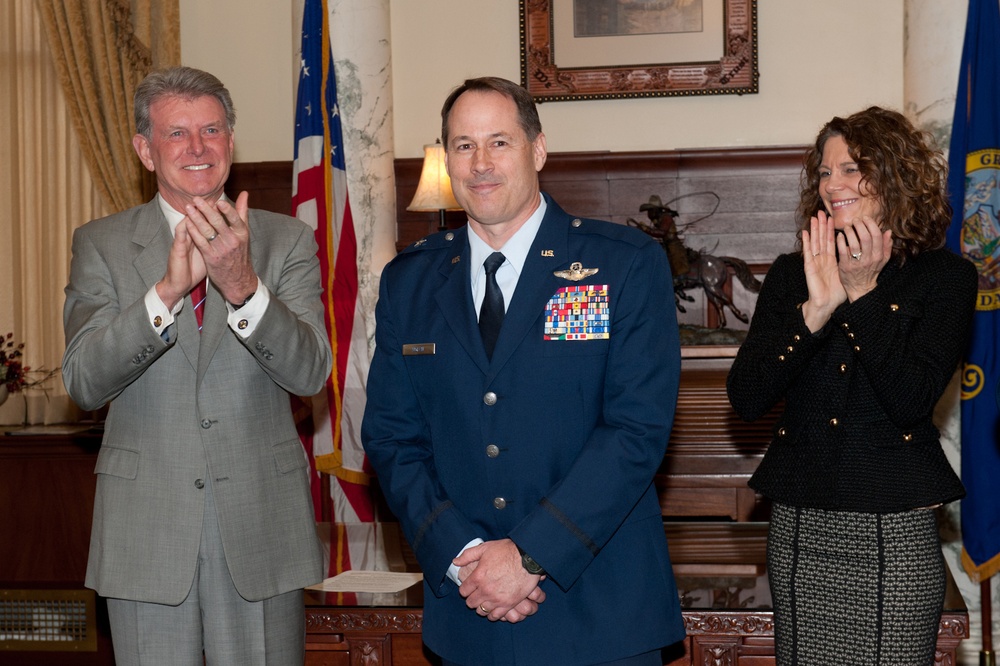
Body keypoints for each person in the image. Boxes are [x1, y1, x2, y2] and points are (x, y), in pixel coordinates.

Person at [361, 76, 685, 665]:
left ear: (538, 150)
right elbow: (391, 436)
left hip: (598, 613)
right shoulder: (410, 281)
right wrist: (463, 555)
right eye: (463, 145)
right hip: (469, 610)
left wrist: (529, 555)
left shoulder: (624, 265)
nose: (480, 164)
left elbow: (636, 432)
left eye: (499, 143)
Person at [62, 66, 332, 664]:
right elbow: (82, 381)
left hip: (262, 530)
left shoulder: (286, 241)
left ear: (231, 143)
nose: (197, 147)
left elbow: (311, 372)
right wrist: (161, 296)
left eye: (211, 130)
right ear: (145, 150)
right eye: (176, 133)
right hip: (147, 535)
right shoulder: (101, 244)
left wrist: (244, 288)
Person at [727, 106, 978, 665]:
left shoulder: (946, 278)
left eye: (851, 168)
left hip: (894, 534)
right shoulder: (795, 274)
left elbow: (910, 399)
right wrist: (815, 312)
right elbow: (746, 399)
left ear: (894, 175)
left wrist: (863, 294)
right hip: (801, 527)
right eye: (824, 172)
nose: (833, 184)